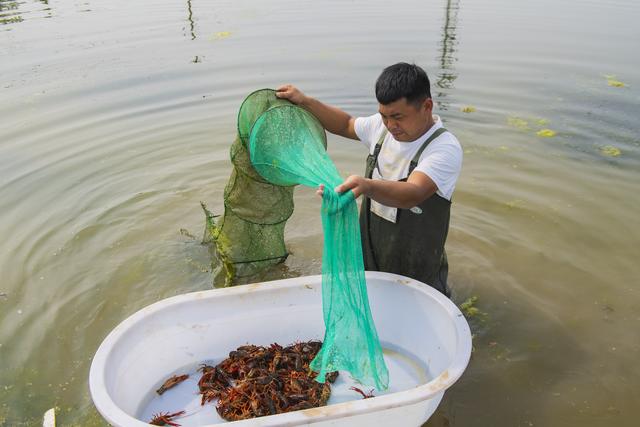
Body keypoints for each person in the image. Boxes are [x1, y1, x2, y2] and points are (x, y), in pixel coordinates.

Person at [276, 62, 462, 297]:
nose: (391, 125)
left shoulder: (443, 148)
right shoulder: (381, 128)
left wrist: (367, 186)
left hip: (419, 272)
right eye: (384, 116)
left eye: (398, 117)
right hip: (371, 257)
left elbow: (413, 193)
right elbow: (345, 124)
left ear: (426, 106)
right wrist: (305, 101)